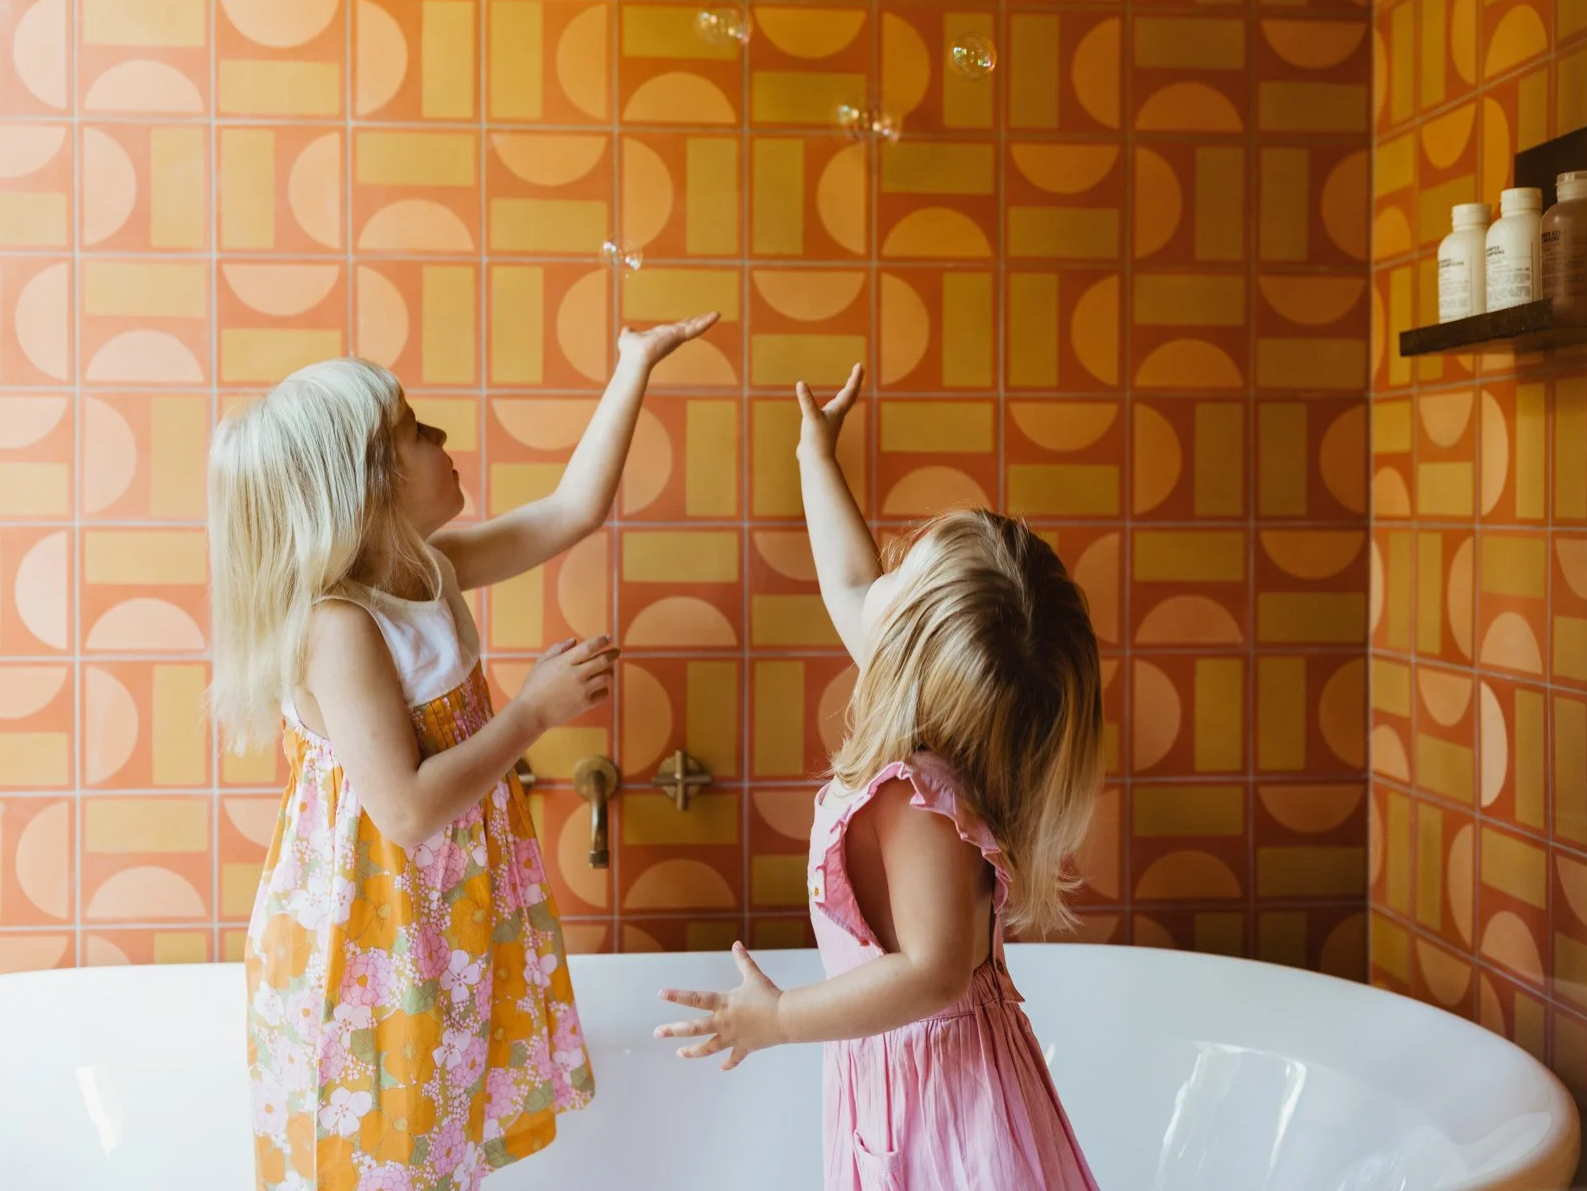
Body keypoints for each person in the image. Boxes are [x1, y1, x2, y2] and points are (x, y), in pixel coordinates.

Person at [211, 313, 717, 1189]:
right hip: (369, 938)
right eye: (416, 430)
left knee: (435, 1136)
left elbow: (571, 510)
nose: (442, 436)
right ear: (368, 483)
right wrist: (533, 712)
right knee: (385, 1145)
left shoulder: (425, 570)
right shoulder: (340, 628)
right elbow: (405, 811)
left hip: (435, 915)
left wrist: (634, 365)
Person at [655, 365, 1105, 1189]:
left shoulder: (919, 797)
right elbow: (849, 580)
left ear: (908, 652)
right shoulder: (942, 715)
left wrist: (780, 1017)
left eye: (899, 575)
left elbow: (934, 970)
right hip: (928, 1085)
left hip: (942, 1112)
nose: (878, 579)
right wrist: (815, 456)